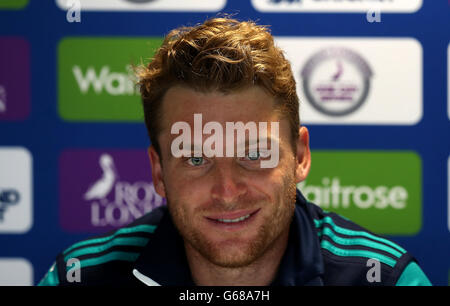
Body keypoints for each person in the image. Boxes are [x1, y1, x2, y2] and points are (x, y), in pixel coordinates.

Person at [38, 17, 431, 286]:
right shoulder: (79, 277)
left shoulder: (382, 278)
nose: (227, 191)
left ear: (300, 156)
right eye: (196, 159)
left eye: (254, 154)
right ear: (158, 172)